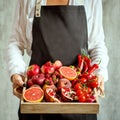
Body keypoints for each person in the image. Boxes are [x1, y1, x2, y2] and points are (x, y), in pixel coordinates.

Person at [6, 0, 109, 120]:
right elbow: (16, 42)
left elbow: (97, 45)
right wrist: (16, 72)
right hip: (38, 100)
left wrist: (99, 74)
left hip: (79, 96)